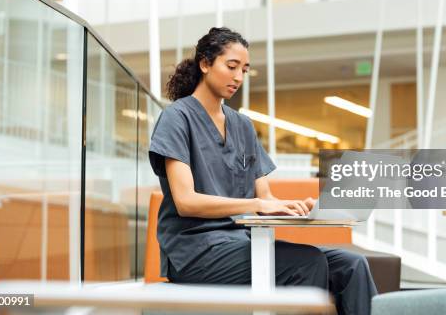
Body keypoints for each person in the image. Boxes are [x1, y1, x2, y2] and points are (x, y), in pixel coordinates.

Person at [149, 27, 378, 315]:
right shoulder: (177, 118)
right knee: (307, 262)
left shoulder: (242, 126)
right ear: (205, 64)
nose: (238, 78)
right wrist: (257, 204)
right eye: (231, 67)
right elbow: (186, 201)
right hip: (196, 252)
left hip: (244, 244)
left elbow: (264, 197)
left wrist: (297, 208)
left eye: (244, 70)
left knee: (352, 265)